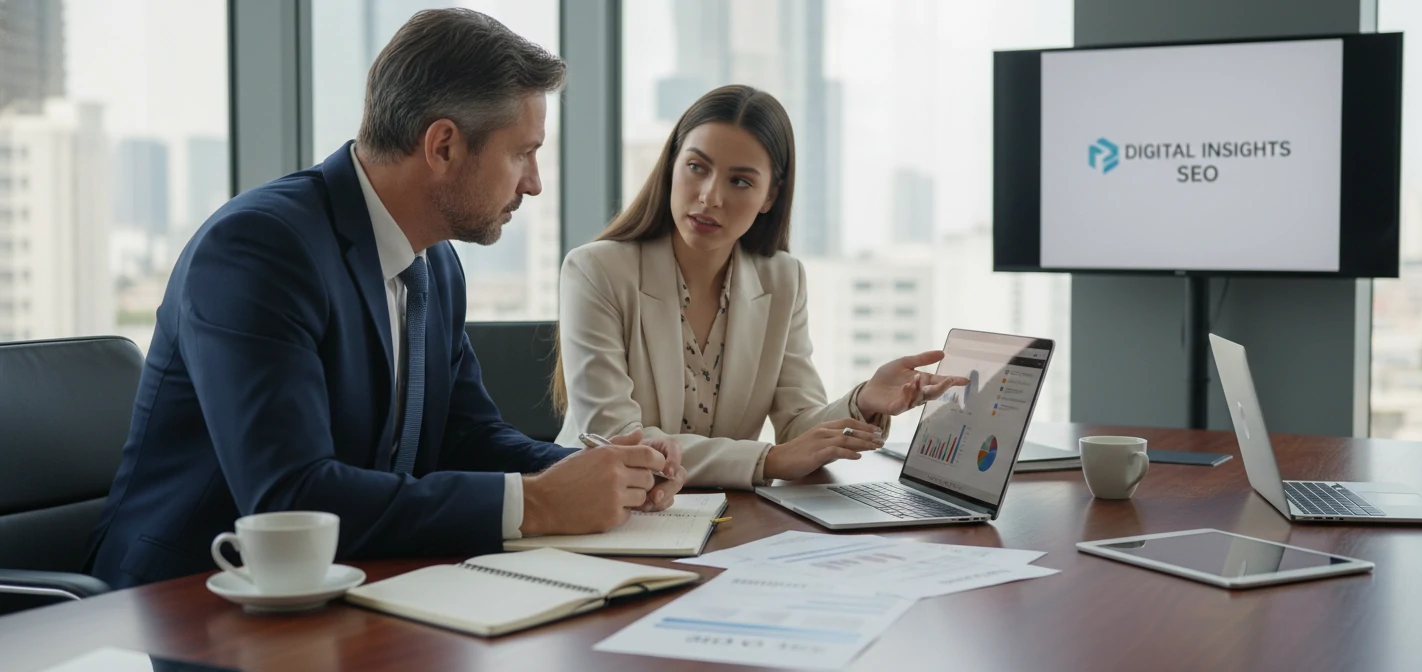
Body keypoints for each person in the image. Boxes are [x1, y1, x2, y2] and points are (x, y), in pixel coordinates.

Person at [85, 8, 683, 590]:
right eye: (523, 152)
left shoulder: (435, 262)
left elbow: (464, 437)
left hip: (350, 588)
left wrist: (597, 471)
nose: (534, 181)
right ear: (443, 146)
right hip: (182, 604)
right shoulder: (258, 249)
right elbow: (289, 498)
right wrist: (537, 503)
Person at [552, 85, 969, 490]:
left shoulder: (782, 279)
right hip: (603, 509)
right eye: (697, 167)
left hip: (726, 515)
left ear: (770, 196)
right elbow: (616, 438)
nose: (710, 196)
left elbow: (797, 423)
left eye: (740, 181)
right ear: (671, 166)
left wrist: (864, 401)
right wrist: (766, 460)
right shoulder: (596, 270)